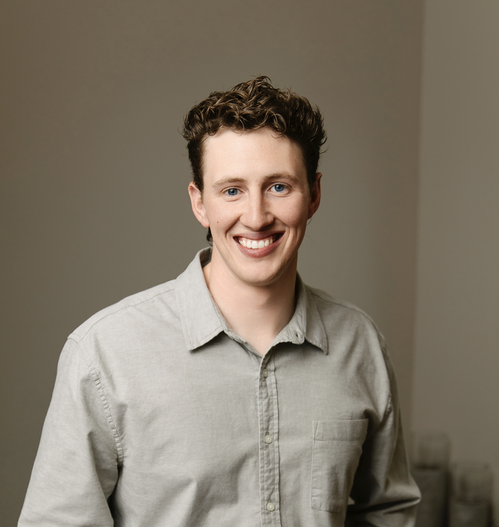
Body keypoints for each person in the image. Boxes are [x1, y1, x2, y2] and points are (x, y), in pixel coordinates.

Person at [19, 76, 420, 526]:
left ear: (314, 195)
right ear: (200, 204)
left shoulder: (361, 344)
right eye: (232, 190)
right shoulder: (104, 354)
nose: (256, 217)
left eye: (279, 187)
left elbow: (387, 512)